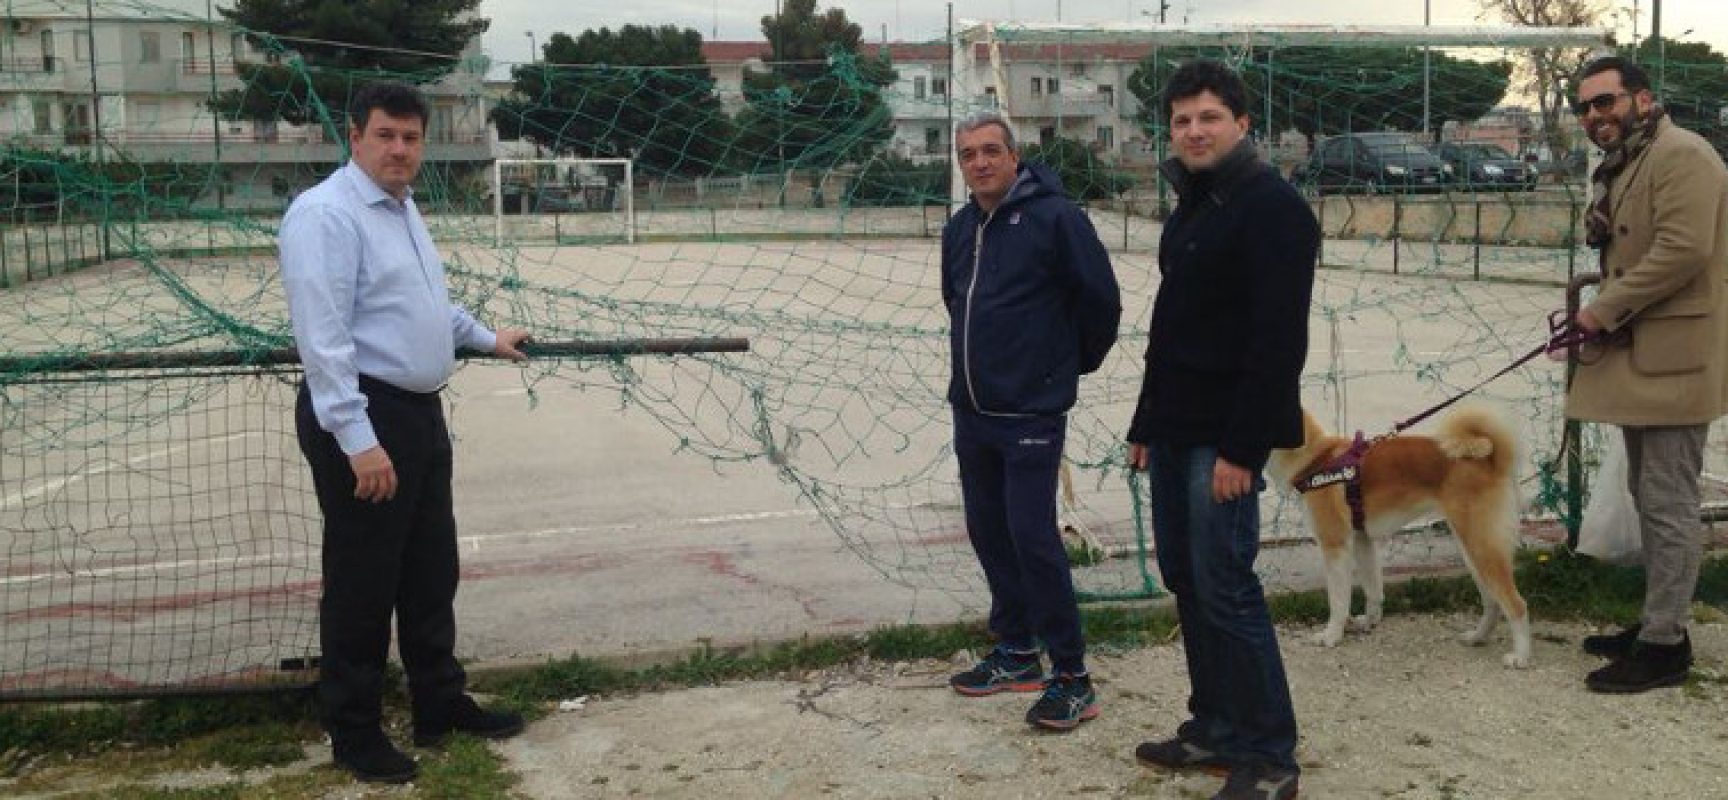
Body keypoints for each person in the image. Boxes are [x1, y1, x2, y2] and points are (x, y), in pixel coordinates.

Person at [281, 81, 532, 783]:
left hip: (417, 413)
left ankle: (439, 704)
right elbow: (324, 340)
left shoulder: (401, 208)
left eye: (411, 138)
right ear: (354, 136)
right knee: (363, 585)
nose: (399, 149)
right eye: (386, 135)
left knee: (429, 572)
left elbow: (426, 308)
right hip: (366, 416)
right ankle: (355, 734)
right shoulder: (326, 216)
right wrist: (358, 441)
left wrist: (485, 336)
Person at [1125, 59, 1314, 800]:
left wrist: (1243, 449)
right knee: (1187, 579)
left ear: (1242, 123)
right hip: (1175, 430)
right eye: (1181, 120)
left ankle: (1270, 755)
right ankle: (1216, 728)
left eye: (1208, 117)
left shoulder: (1272, 208)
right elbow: (1172, 329)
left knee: (1226, 585)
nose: (1193, 130)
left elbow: (1276, 345)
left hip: (1222, 440)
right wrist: (1147, 421)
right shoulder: (1197, 204)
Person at [940, 111, 1121, 730]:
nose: (980, 162)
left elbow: (1101, 302)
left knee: (1033, 538)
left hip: (1031, 412)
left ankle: (1072, 676)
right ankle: (1018, 653)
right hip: (973, 410)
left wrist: (1061, 370)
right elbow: (954, 302)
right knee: (988, 531)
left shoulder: (1056, 218)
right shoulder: (961, 227)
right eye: (968, 154)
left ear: (1015, 156)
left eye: (991, 150)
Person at [1565, 56, 1728, 694]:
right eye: (1584, 107)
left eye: (1605, 102)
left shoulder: (1684, 154)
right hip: (1646, 351)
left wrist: (1602, 310)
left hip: (1676, 357)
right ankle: (1659, 624)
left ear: (1641, 98)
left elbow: (1684, 250)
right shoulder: (1632, 158)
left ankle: (1665, 648)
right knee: (1648, 492)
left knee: (1667, 503)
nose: (1594, 116)